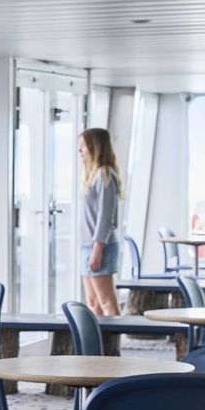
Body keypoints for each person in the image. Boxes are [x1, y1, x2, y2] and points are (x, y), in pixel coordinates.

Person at [79, 128, 123, 316]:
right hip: (87, 246)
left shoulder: (105, 175)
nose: (80, 150)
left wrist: (97, 249)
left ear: (94, 147)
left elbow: (106, 217)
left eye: (83, 146)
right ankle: (97, 345)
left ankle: (112, 345)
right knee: (93, 302)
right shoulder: (93, 175)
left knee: (107, 303)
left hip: (99, 246)